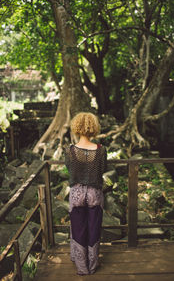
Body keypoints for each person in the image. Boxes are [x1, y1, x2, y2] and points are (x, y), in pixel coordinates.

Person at [64, 112, 107, 275]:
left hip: (76, 193)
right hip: (95, 193)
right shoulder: (101, 150)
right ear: (93, 128)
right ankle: (93, 265)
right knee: (94, 228)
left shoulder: (70, 151)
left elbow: (70, 169)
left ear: (76, 128)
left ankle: (82, 267)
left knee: (78, 228)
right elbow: (103, 169)